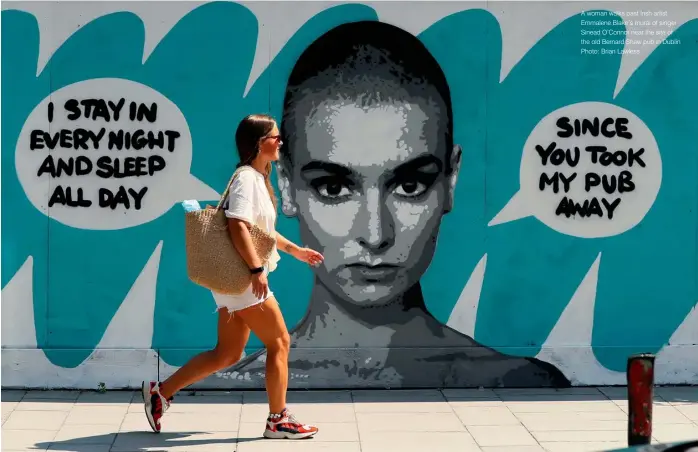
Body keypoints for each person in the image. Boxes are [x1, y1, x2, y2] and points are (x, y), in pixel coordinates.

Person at [209, 22, 571, 388]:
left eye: (410, 186)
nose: (375, 234)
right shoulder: (235, 383)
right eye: (333, 188)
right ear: (286, 185)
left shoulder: (517, 380)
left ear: (450, 181)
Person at [141, 114, 324, 438]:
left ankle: (160, 393)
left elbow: (260, 231)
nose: (280, 142)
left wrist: (296, 251)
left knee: (227, 353)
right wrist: (256, 270)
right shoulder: (246, 179)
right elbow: (237, 224)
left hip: (236, 281)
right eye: (274, 137)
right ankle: (278, 419)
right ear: (258, 143)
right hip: (243, 279)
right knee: (279, 341)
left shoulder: (256, 179)